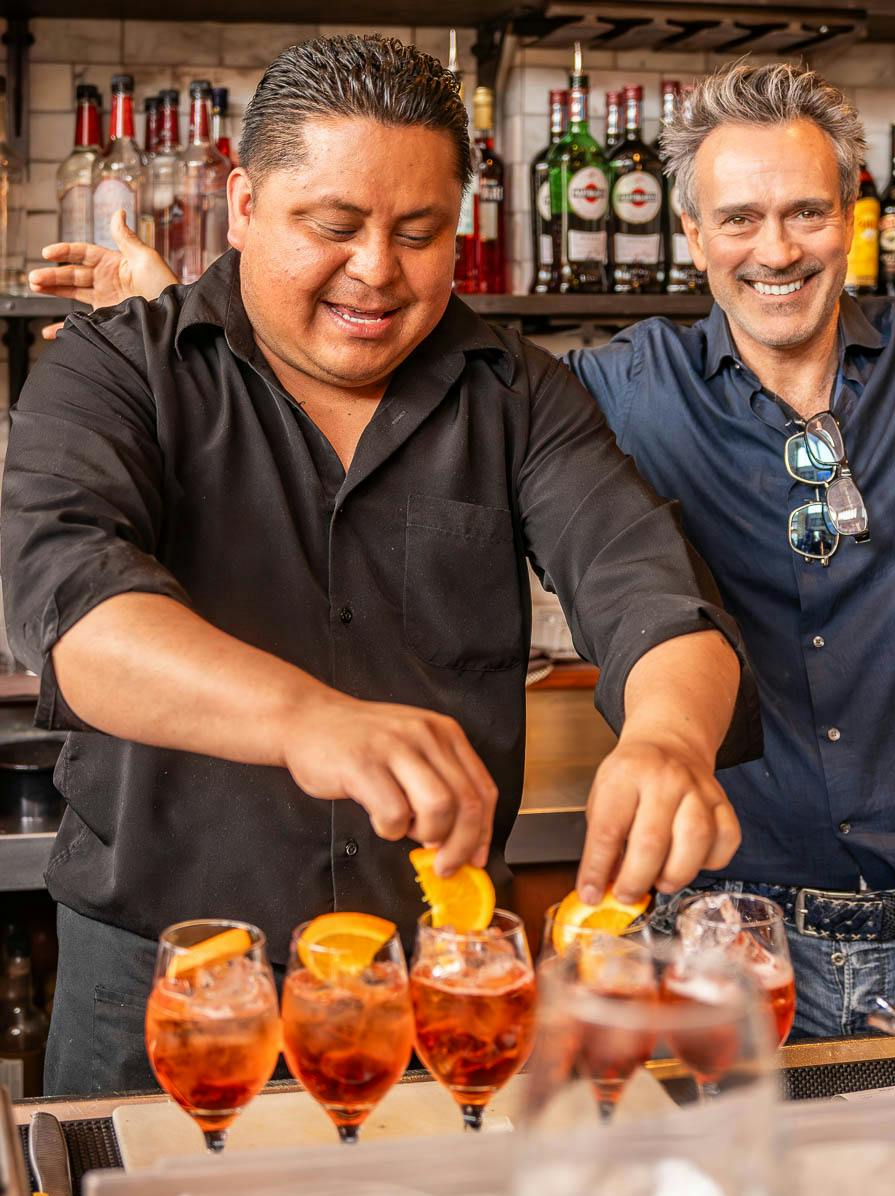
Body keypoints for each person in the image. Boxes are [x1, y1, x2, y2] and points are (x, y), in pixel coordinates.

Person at [39, 61, 895, 1040]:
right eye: (737, 217)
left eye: (806, 212)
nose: (775, 249)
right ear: (689, 235)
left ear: (852, 215)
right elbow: (84, 589)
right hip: (675, 939)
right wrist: (192, 305)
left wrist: (665, 734)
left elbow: (649, 594)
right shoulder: (601, 385)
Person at [3, 36, 760, 1095]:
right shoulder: (117, 367)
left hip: (434, 986)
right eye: (336, 226)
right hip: (168, 986)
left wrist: (673, 738)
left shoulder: (519, 395)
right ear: (246, 202)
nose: (377, 272)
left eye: (419, 234)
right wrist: (305, 717)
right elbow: (74, 612)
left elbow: (649, 587)